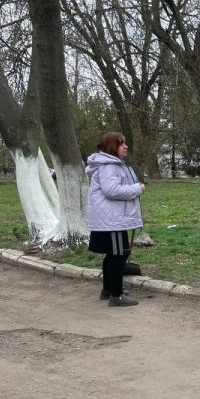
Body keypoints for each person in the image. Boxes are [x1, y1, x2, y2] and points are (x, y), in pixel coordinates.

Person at [86, 132, 145, 307]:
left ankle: (108, 290)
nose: (125, 147)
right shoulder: (109, 166)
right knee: (118, 255)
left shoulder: (111, 165)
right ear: (112, 147)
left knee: (113, 255)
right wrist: (138, 188)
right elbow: (112, 190)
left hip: (111, 218)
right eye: (121, 144)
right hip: (112, 220)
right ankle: (116, 295)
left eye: (125, 143)